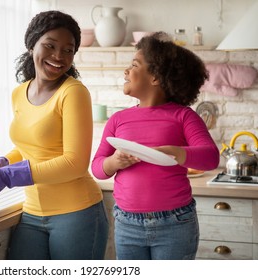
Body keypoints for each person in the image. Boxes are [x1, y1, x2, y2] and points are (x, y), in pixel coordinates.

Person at [0, 10, 108, 260]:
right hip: (32, 213)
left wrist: (9, 175)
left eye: (68, 50)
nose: (59, 56)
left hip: (76, 213)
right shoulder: (20, 93)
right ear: (32, 44)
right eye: (50, 45)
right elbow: (28, 149)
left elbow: (75, 163)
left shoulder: (73, 92)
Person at [91, 32, 219, 260]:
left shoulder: (184, 116)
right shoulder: (118, 120)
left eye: (134, 65)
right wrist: (114, 161)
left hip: (174, 224)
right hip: (127, 223)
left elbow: (210, 157)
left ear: (156, 78)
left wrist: (177, 153)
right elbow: (98, 168)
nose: (126, 71)